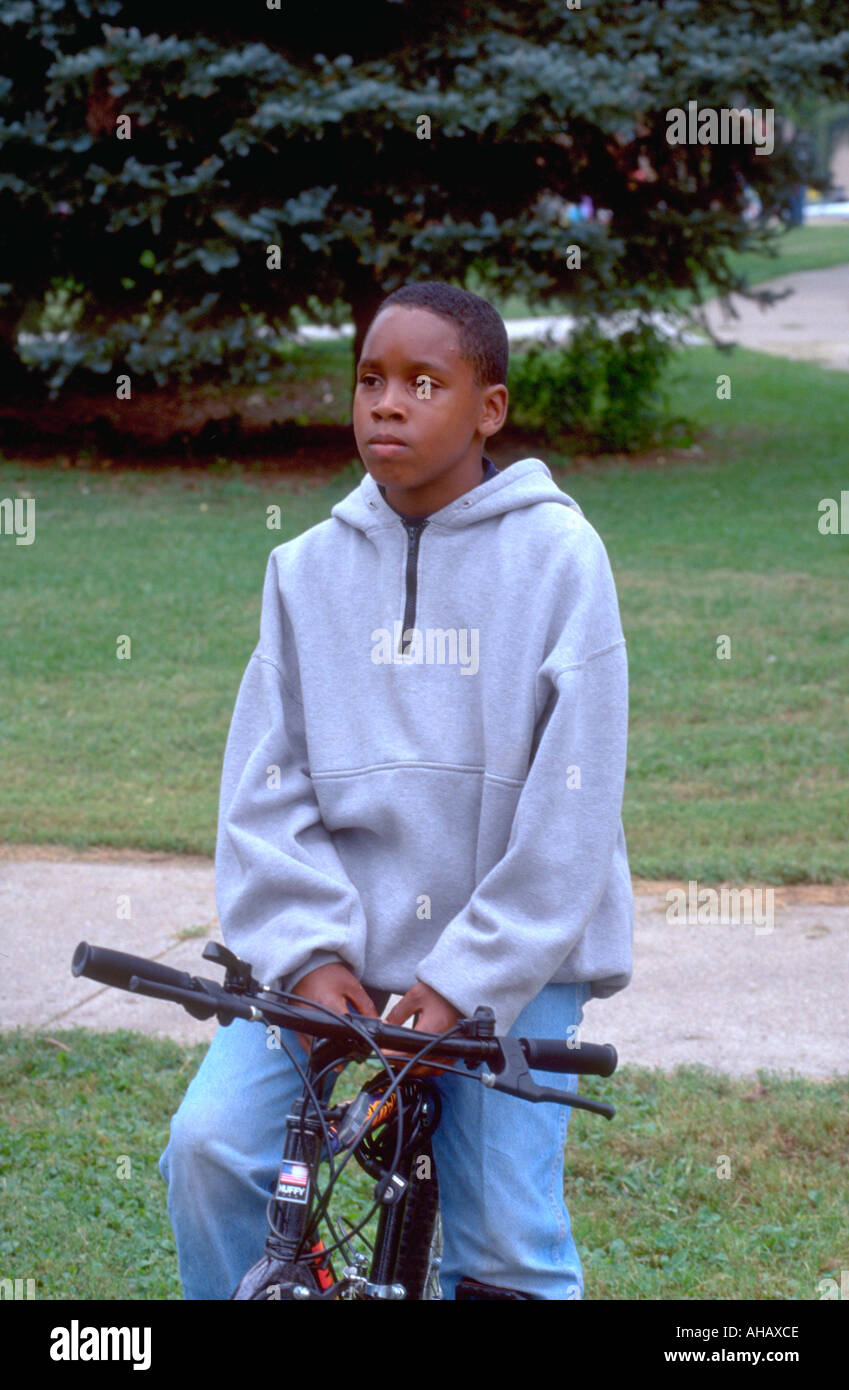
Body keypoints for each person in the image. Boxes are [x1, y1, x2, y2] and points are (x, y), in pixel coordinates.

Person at [159, 281, 634, 1300]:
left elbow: (573, 812)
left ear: (488, 410)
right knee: (208, 1149)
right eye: (371, 379)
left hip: (512, 958)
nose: (387, 403)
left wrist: (465, 980)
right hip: (332, 953)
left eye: (425, 382)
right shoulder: (303, 570)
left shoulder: (561, 559)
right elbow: (264, 792)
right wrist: (310, 949)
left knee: (506, 1239)